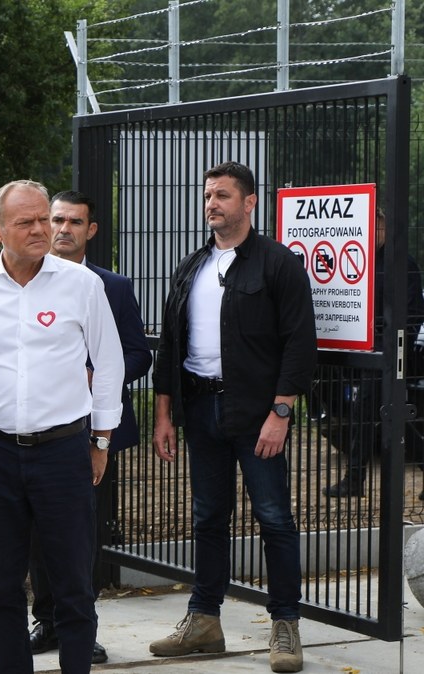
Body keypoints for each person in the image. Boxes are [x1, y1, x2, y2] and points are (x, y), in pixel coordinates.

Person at [0, 179, 122, 674]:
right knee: (3, 586)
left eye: (45, 218)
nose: (42, 229)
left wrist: (101, 440)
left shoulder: (82, 285)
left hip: (64, 452)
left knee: (74, 585)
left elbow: (109, 365)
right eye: (27, 222)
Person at [150, 161, 316, 674]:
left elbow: (299, 342)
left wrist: (281, 411)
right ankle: (204, 620)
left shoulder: (277, 263)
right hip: (201, 409)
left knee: (274, 518)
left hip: (257, 414)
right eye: (207, 195)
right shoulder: (191, 265)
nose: (211, 204)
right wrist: (164, 415)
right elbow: (170, 344)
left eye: (222, 195)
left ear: (249, 203)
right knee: (207, 517)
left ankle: (285, 625)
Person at [25, 190, 153, 665]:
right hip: (36, 428)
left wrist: (96, 375)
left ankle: (83, 625)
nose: (63, 229)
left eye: (74, 222)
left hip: (94, 430)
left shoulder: (113, 287)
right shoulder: (25, 282)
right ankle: (47, 620)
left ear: (90, 230)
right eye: (56, 219)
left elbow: (138, 353)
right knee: (38, 530)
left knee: (85, 533)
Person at [321, 205, 424, 497]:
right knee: (389, 419)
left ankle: (353, 481)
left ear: (385, 225)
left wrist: (397, 351)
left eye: (375, 223)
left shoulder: (402, 262)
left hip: (389, 354)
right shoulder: (362, 259)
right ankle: (354, 480)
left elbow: (414, 312)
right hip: (364, 350)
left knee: (365, 415)